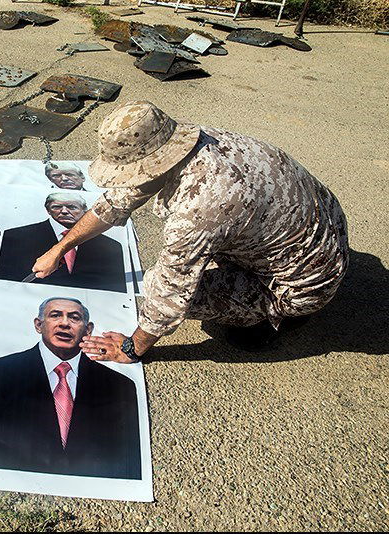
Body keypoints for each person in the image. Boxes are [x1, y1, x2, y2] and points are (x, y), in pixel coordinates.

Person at [32, 100, 350, 360]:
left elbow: (171, 294)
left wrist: (131, 348)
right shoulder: (196, 141)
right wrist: (61, 247)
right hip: (318, 230)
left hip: (301, 282)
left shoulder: (200, 210)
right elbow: (118, 200)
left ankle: (275, 314)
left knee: (156, 282)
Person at [0, 297, 141, 478]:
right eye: (55, 316)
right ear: (38, 325)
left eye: (74, 318)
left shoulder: (119, 385)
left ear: (88, 330)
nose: (64, 324)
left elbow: (127, 458)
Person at [0, 192, 126, 292]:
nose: (64, 211)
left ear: (86, 211)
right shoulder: (16, 236)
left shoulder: (111, 246)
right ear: (48, 210)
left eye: (71, 207)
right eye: (57, 207)